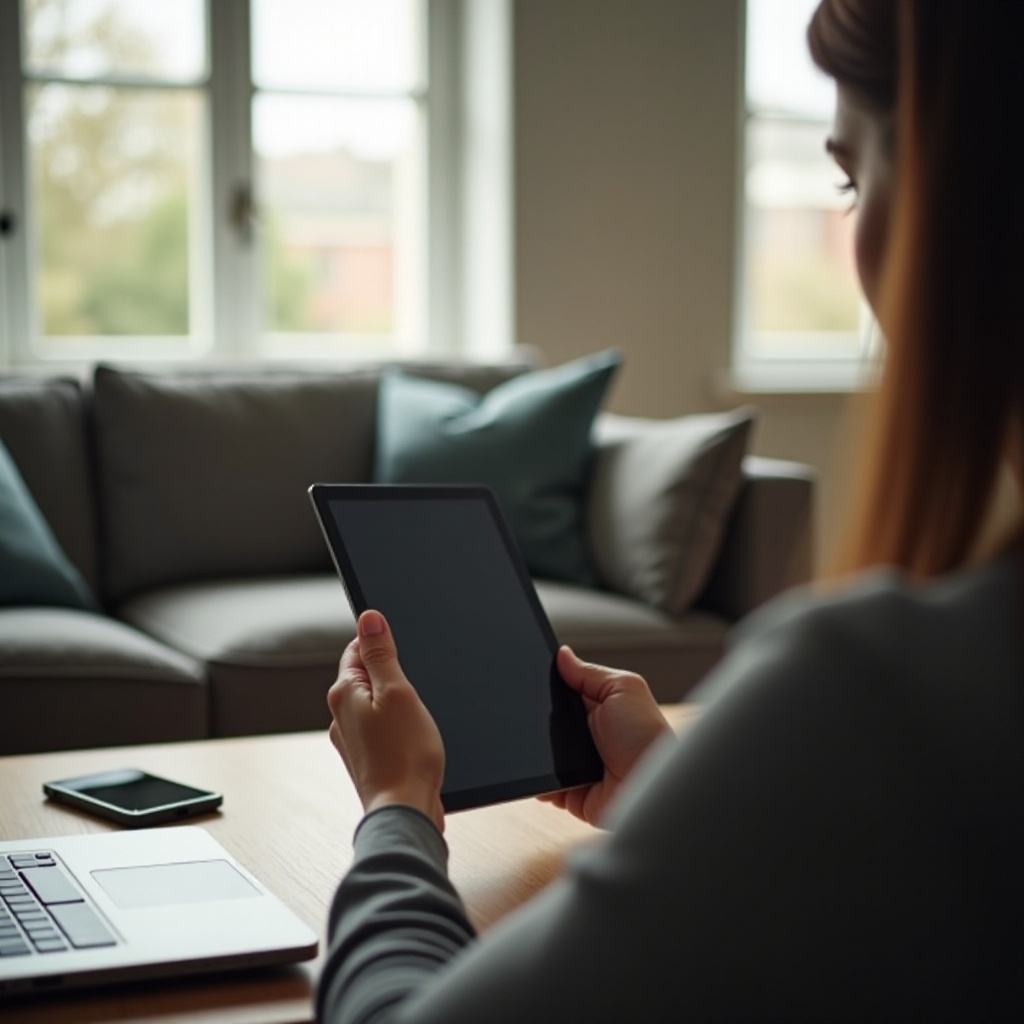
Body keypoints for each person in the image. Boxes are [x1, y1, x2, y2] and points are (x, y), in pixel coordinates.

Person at [317, 1, 1024, 1020]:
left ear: (957, 196)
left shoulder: (880, 694)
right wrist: (685, 792)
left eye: (852, 175)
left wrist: (395, 810)